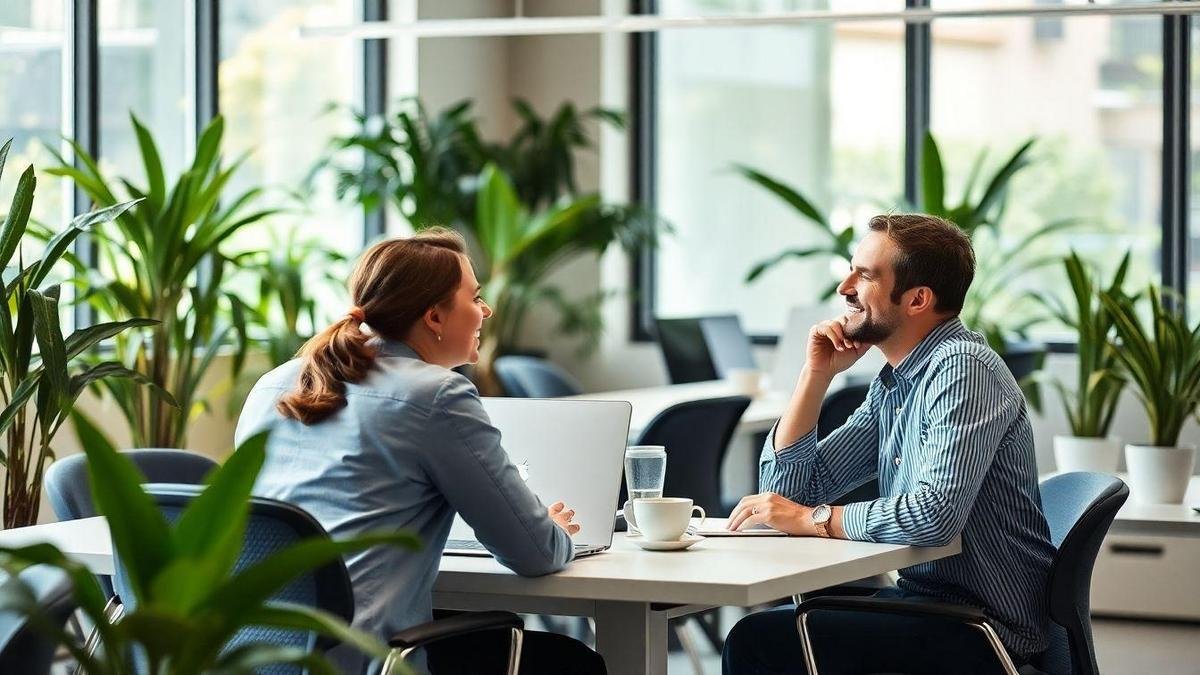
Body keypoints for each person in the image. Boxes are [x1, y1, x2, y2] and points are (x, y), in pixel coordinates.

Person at [235, 227, 605, 674]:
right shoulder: (436, 394)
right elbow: (536, 553)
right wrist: (550, 529)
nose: (486, 311)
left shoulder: (274, 383)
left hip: (252, 651)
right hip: (370, 658)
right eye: (475, 298)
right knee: (572, 664)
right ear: (434, 317)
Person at [722, 214, 1055, 675]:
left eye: (866, 275)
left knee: (758, 640)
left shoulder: (963, 369)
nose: (845, 287)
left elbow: (934, 516)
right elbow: (796, 489)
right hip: (930, 606)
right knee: (777, 631)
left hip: (985, 631)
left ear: (918, 299)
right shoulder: (896, 383)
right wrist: (814, 375)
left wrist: (812, 519)